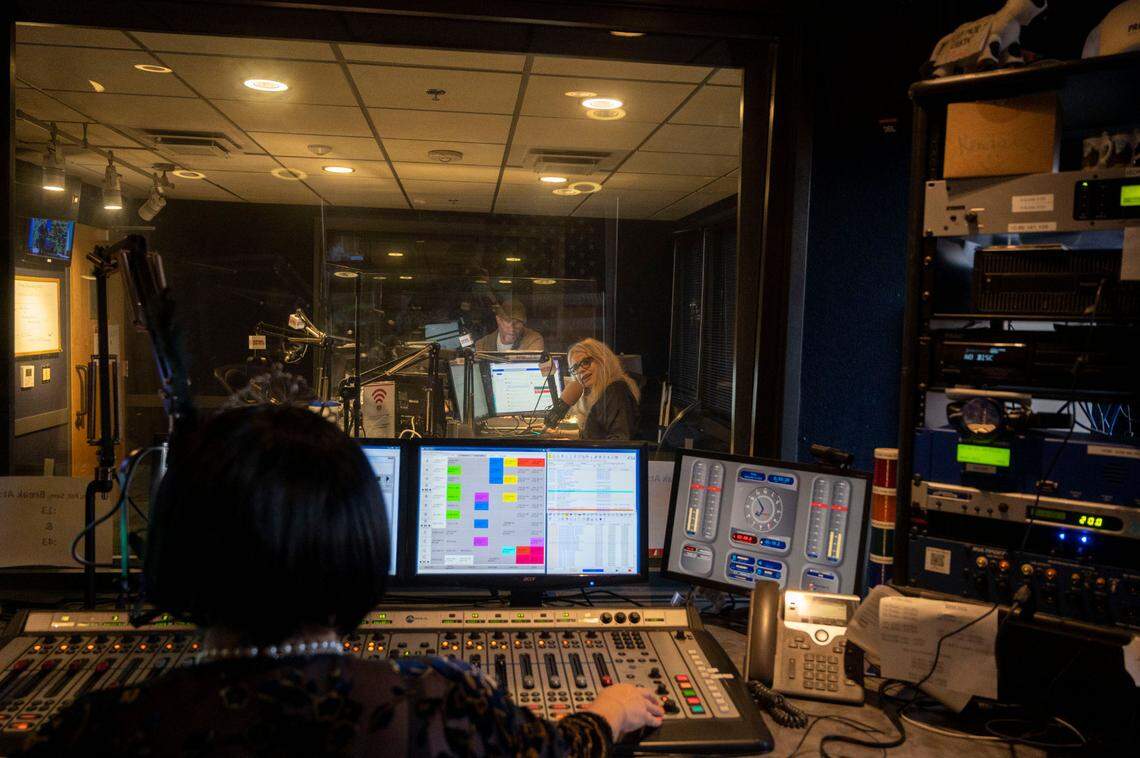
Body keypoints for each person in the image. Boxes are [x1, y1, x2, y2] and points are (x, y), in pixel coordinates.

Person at [18, 405, 662, 756]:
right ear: (360, 548)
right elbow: (553, 753)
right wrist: (608, 712)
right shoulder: (439, 705)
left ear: (174, 552)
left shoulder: (92, 729)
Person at [552, 338, 640, 441]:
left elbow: (619, 442)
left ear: (603, 361)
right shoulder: (602, 394)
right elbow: (595, 435)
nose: (580, 370)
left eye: (585, 362)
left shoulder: (616, 392)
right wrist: (557, 433)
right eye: (575, 368)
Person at [474, 298, 544, 352]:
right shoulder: (482, 344)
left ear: (523, 323)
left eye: (517, 322)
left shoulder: (533, 339)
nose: (512, 328)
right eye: (507, 321)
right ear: (498, 320)